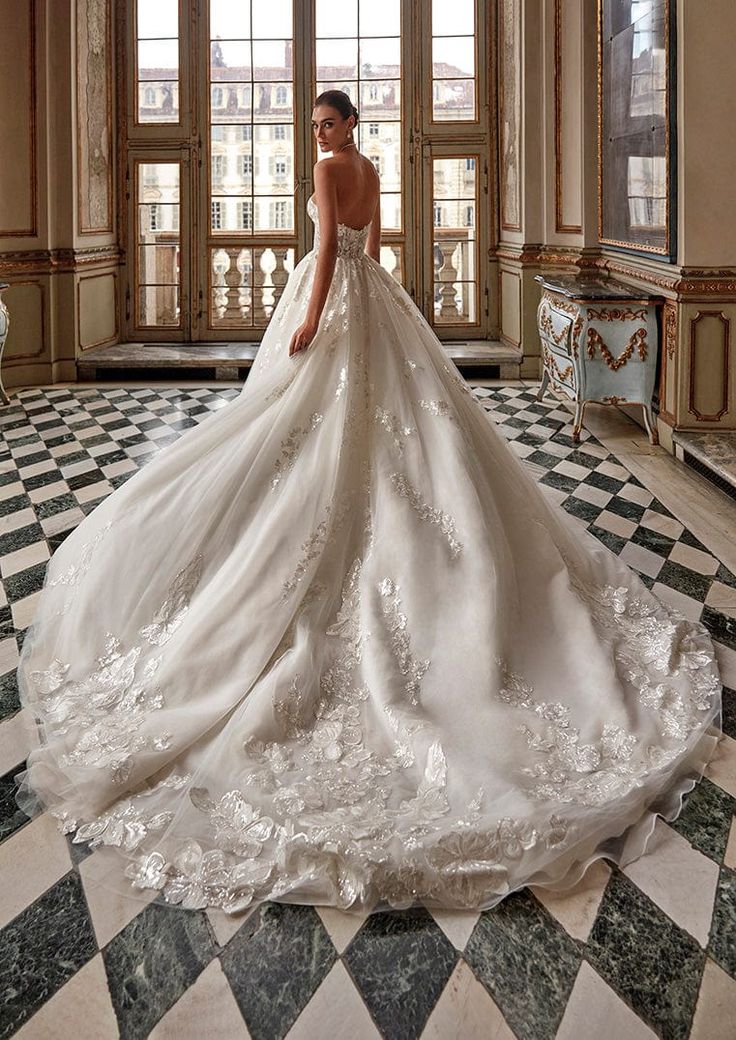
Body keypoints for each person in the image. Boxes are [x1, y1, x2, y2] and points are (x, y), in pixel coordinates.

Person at [13, 90, 722, 916]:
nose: (319, 136)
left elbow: (324, 251)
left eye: (327, 124)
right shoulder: (373, 168)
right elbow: (373, 249)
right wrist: (364, 300)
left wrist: (310, 322)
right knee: (391, 446)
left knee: (316, 442)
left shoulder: (325, 173)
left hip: (333, 302)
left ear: (348, 124)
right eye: (313, 128)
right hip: (378, 304)